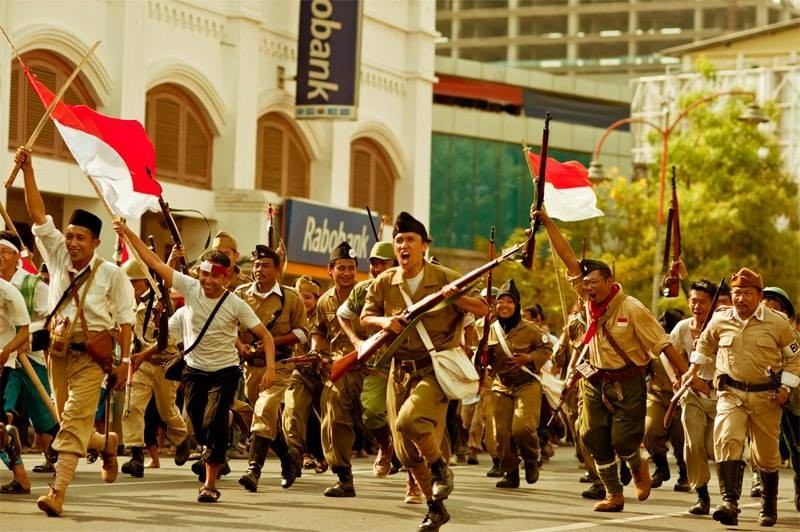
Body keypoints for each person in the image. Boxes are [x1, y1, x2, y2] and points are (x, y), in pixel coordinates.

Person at [538, 208, 690, 512]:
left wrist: (688, 377)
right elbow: (568, 258)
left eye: (594, 282)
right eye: (586, 283)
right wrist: (545, 220)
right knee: (590, 435)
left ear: (609, 281)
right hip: (594, 380)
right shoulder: (586, 301)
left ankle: (638, 466)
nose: (589, 287)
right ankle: (614, 494)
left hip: (628, 382)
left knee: (623, 440)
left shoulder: (632, 308)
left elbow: (664, 346)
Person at [113, 220, 275, 503]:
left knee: (212, 424)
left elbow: (265, 335)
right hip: (194, 371)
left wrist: (270, 368)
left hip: (225, 372)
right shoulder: (189, 288)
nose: (209, 282)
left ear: (226, 278)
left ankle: (210, 485)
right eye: (204, 275)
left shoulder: (235, 304)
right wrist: (127, 235)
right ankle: (214, 439)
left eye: (216, 277)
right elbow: (152, 260)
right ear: (199, 273)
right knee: (199, 426)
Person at [18, 148, 135, 517]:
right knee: (68, 419)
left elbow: (127, 320)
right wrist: (29, 171)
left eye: (80, 238)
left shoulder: (112, 274)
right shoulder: (56, 255)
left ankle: (57, 492)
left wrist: (125, 363)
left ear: (96, 242)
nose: (72, 243)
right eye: (69, 236)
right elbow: (38, 215)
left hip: (92, 358)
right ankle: (107, 443)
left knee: (71, 421)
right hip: (57, 353)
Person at [362, 211, 488, 531]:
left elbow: (484, 309)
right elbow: (366, 317)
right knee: (405, 452)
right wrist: (383, 322)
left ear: (424, 246)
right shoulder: (384, 282)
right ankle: (435, 508)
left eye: (411, 240)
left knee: (410, 420)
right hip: (398, 370)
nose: (404, 246)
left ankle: (441, 467)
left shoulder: (445, 277)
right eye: (399, 240)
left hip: (433, 368)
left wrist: (456, 297)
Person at [684, 268, 799, 526]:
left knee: (766, 455)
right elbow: (705, 343)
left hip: (766, 397)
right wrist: (693, 369)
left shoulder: (777, 322)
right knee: (727, 440)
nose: (741, 299)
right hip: (731, 394)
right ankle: (729, 503)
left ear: (758, 295)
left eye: (747, 293)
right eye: (737, 293)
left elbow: (794, 357)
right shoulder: (721, 319)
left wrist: (786, 388)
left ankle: (768, 506)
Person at [237, 245, 307, 492]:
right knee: (266, 418)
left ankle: (253, 470)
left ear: (278, 270)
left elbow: (301, 333)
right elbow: (228, 325)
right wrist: (241, 345)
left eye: (265, 265)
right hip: (251, 368)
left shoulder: (291, 298)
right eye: (256, 265)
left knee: (265, 408)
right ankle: (288, 461)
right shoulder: (240, 294)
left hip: (279, 366)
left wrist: (271, 340)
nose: (259, 269)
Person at [118, 259, 190, 478]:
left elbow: (164, 340)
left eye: (135, 282)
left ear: (145, 281)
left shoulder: (162, 301)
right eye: (128, 283)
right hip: (142, 365)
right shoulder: (131, 304)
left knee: (167, 411)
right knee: (132, 406)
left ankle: (183, 440)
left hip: (164, 363)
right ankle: (136, 455)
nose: (131, 287)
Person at [0, 231, 59, 475]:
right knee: (6, 405)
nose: (0, 257)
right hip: (6, 358)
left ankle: (54, 456)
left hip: (30, 355)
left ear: (17, 257)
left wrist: (28, 336)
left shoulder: (34, 284)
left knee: (43, 413)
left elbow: (51, 320)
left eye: (4, 252)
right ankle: (8, 442)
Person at [337, 241, 397, 477]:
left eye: (384, 263)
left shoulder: (412, 289)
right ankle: (385, 446)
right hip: (378, 365)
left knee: (411, 421)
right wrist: (355, 342)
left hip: (411, 364)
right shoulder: (363, 290)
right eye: (374, 263)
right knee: (371, 414)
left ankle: (417, 478)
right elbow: (343, 315)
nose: (378, 268)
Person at [488, 279, 552, 489]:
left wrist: (529, 358)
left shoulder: (531, 329)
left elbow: (546, 348)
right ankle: (511, 472)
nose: (504, 306)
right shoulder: (490, 328)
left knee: (522, 428)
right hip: (501, 385)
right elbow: (480, 355)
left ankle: (532, 458)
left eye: (509, 302)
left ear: (516, 306)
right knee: (502, 434)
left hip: (527, 383)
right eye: (500, 302)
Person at [313, 241, 365, 497]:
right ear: (330, 270)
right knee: (332, 416)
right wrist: (315, 349)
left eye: (351, 268)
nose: (346, 273)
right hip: (340, 368)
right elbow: (319, 329)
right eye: (341, 268)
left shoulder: (368, 295)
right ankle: (344, 477)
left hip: (370, 368)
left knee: (380, 419)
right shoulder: (324, 301)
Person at [671, 279, 717, 515]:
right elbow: (667, 354)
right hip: (692, 394)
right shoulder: (681, 328)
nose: (697, 307)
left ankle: (731, 492)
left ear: (713, 304)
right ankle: (702, 496)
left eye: (703, 302)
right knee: (693, 445)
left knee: (714, 447)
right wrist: (675, 378)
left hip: (721, 394)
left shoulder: (722, 326)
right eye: (693, 301)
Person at [761, 286, 800, 512]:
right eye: (768, 309)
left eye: (778, 309)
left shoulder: (794, 338)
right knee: (793, 449)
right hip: (780, 403)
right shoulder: (756, 336)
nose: (773, 314)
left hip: (796, 399)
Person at [283, 276, 327, 475]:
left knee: (329, 418)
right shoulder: (289, 315)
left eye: (308, 297)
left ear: (316, 299)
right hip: (298, 373)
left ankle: (325, 455)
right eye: (299, 297)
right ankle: (296, 456)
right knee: (294, 411)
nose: (303, 301)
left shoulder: (323, 317)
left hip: (323, 374)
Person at [0, 265, 33, 494]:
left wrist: (4, 353)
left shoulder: (8, 292)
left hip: (1, 365)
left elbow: (24, 331)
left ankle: (7, 438)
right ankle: (7, 439)